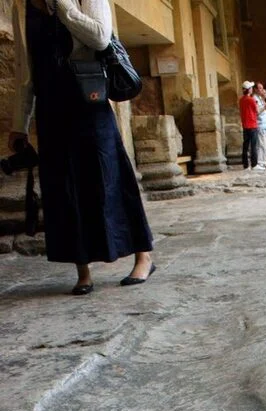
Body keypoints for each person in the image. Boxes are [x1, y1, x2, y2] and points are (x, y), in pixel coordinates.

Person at [9, 0, 155, 295]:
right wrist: (19, 124)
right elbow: (27, 69)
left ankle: (144, 256)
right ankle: (83, 269)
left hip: (89, 99)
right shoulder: (20, 6)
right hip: (51, 108)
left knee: (110, 178)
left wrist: (64, 7)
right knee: (63, 188)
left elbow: (100, 37)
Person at [239, 80, 258, 171]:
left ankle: (246, 165)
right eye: (251, 88)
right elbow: (257, 111)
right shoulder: (251, 99)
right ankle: (254, 165)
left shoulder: (241, 100)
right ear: (249, 89)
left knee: (245, 146)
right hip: (252, 124)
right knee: (254, 145)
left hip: (245, 125)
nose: (252, 89)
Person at [253, 82, 266, 170]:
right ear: (255, 89)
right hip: (260, 124)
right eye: (260, 88)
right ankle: (260, 162)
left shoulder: (260, 98)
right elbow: (256, 112)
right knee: (261, 145)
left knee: (264, 145)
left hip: (265, 124)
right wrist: (264, 107)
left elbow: (264, 111)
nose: (261, 90)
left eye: (262, 88)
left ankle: (263, 162)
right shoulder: (254, 98)